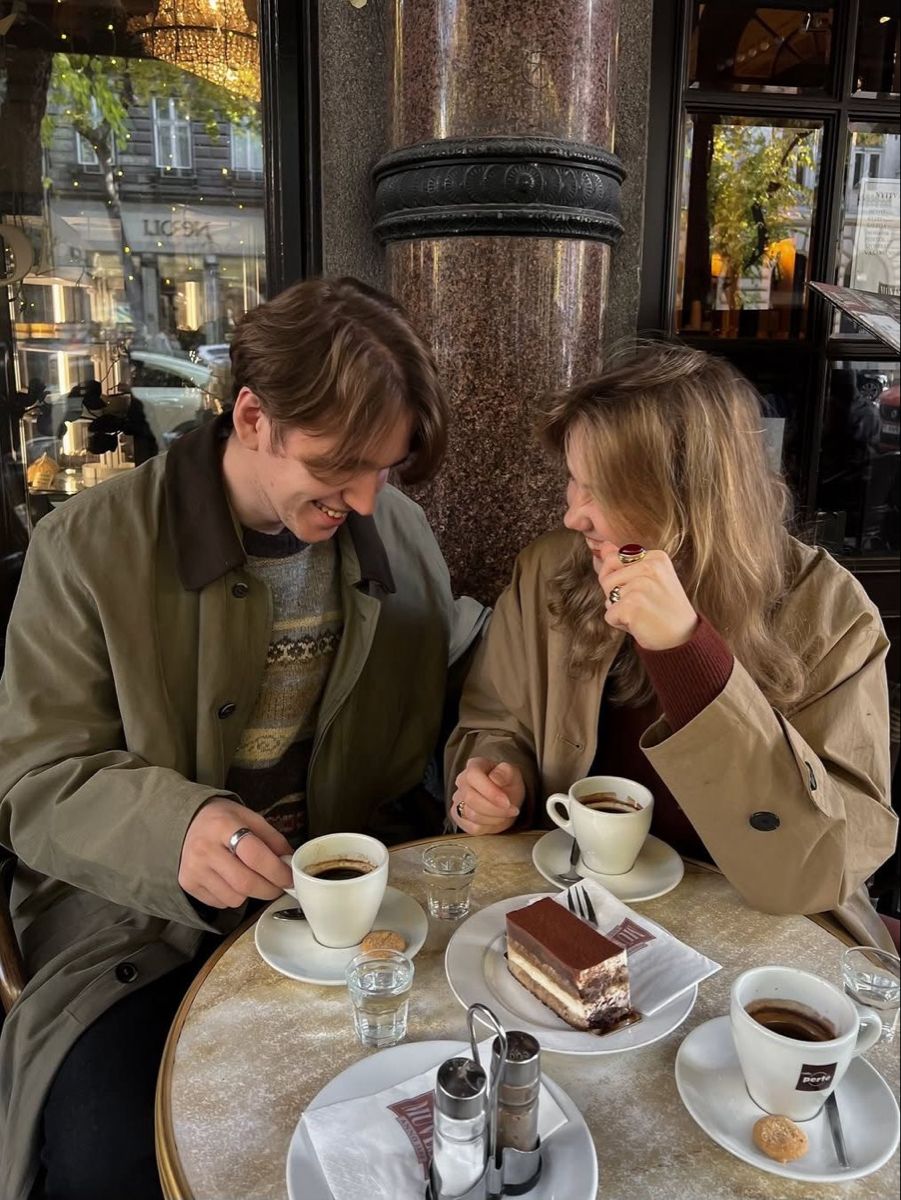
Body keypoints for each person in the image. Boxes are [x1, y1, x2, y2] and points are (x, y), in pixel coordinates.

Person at [0, 276, 487, 1200]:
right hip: (135, 930)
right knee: (114, 1162)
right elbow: (32, 780)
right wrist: (171, 830)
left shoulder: (401, 536)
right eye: (339, 467)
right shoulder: (86, 548)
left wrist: (488, 752)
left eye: (384, 468)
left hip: (360, 911)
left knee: (459, 1119)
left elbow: (469, 670)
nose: (367, 499)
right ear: (253, 416)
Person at [448, 342, 897, 953]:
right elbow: (494, 720)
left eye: (600, 490)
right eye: (573, 482)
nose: (572, 515)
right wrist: (501, 783)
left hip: (762, 936)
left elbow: (827, 865)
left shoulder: (832, 614)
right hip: (577, 904)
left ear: (690, 498)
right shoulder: (551, 569)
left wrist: (687, 653)